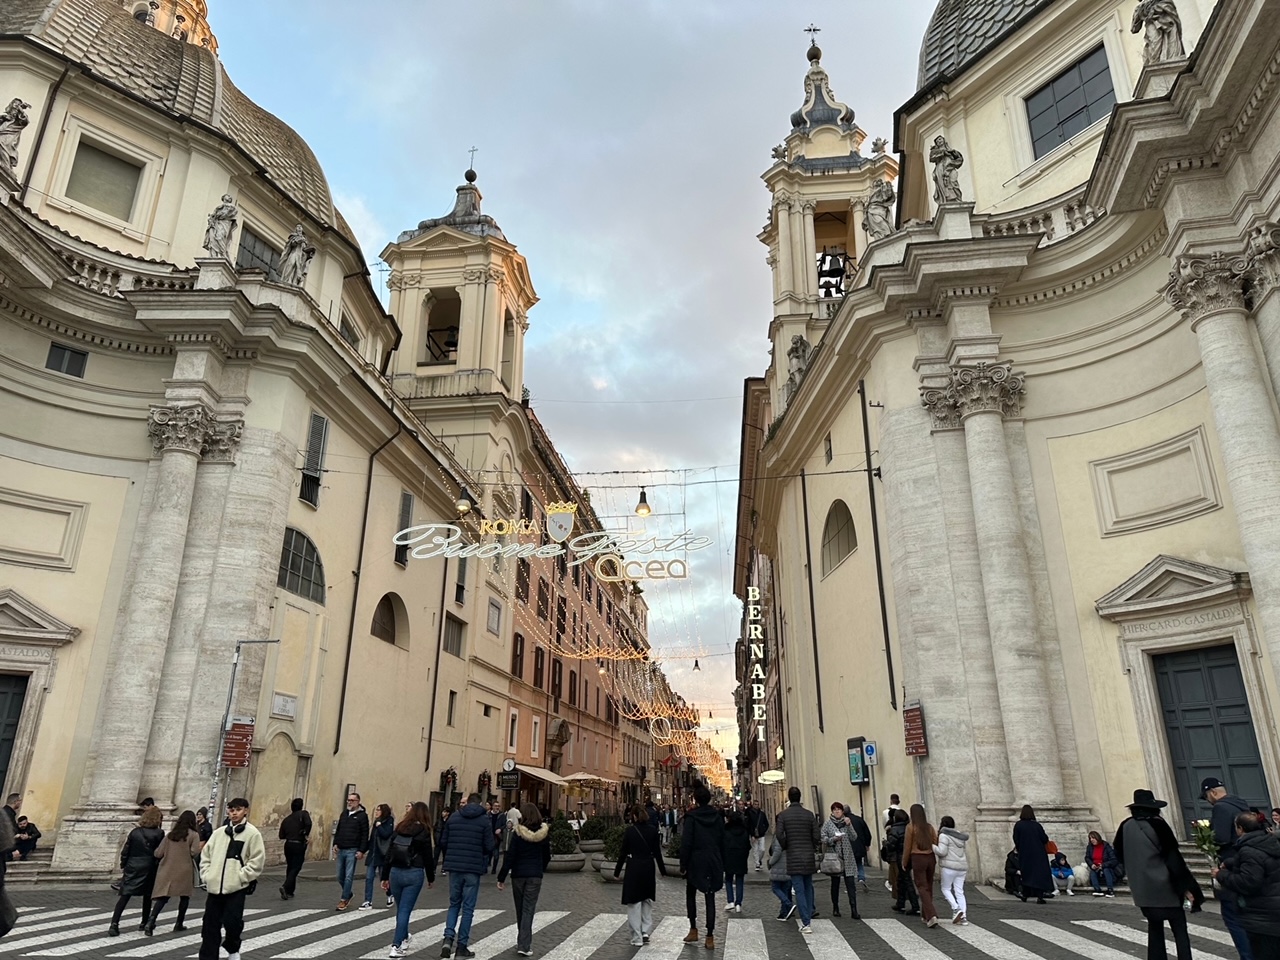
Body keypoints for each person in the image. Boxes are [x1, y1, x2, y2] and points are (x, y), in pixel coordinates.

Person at [1114, 788, 1203, 960]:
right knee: (1179, 930)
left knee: (1154, 928)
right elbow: (1173, 858)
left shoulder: (1125, 826)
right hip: (1166, 886)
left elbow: (1119, 852)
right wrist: (1187, 887)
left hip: (1142, 888)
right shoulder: (1158, 824)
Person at [198, 798, 265, 960]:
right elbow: (206, 856)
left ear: (246, 811)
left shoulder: (252, 834)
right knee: (209, 927)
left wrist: (240, 877)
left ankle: (232, 948)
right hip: (214, 888)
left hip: (235, 888)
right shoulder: (218, 833)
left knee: (232, 923)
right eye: (231, 809)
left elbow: (256, 860)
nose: (234, 813)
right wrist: (207, 875)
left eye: (238, 809)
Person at [1202, 776, 1256, 959]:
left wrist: (1207, 839)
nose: (1208, 801)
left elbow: (1222, 837)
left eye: (1207, 796)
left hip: (1231, 866)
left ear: (1213, 793)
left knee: (1233, 917)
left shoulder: (1220, 807)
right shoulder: (1241, 805)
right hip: (1248, 865)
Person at [1214, 811, 1280, 959]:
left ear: (1240, 829)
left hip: (1262, 916)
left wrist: (1220, 875)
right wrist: (1232, 863)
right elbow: (1263, 862)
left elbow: (1249, 882)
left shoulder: (1248, 850)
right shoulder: (1270, 842)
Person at [438, 792, 494, 959]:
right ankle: (461, 947)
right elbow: (489, 845)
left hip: (454, 867)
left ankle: (448, 938)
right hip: (472, 867)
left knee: (454, 904)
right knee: (468, 908)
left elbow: (443, 842)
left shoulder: (454, 818)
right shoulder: (484, 820)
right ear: (480, 804)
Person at [380, 801, 435, 959]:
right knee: (405, 910)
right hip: (414, 873)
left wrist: (384, 876)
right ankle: (396, 946)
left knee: (401, 909)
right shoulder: (424, 831)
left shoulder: (400, 827)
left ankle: (404, 937)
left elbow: (389, 853)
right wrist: (431, 877)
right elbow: (428, 857)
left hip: (396, 872)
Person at [497, 803, 549, 958]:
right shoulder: (544, 834)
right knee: (528, 909)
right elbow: (547, 855)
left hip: (518, 875)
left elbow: (510, 857)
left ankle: (522, 941)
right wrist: (541, 868)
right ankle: (524, 944)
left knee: (521, 909)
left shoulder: (518, 834)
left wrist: (501, 877)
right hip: (534, 875)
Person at [679, 783, 725, 950]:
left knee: (690, 894)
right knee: (710, 897)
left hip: (695, 860)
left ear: (695, 800)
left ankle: (693, 928)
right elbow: (722, 840)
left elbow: (686, 842)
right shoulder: (718, 817)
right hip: (713, 859)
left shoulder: (691, 818)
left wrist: (683, 864)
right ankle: (710, 936)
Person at [614, 804, 667, 947]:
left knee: (634, 903)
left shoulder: (630, 831)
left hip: (634, 867)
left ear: (635, 816)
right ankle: (645, 931)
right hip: (648, 867)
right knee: (646, 900)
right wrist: (663, 871)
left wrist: (617, 872)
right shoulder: (652, 831)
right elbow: (657, 853)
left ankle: (636, 936)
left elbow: (622, 852)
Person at [108, 806, 165, 936]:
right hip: (149, 866)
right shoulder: (159, 833)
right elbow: (159, 852)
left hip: (133, 865)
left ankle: (114, 923)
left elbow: (126, 850)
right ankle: (144, 922)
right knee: (147, 896)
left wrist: (124, 864)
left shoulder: (135, 832)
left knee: (125, 895)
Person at [147, 810, 203, 935]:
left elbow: (158, 853)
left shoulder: (170, 835)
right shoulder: (194, 835)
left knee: (163, 897)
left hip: (167, 869)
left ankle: (151, 921)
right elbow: (194, 852)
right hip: (184, 870)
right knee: (184, 897)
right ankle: (179, 923)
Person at [776, 784, 820, 935]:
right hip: (808, 855)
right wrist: (812, 846)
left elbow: (779, 835)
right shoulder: (809, 815)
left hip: (793, 855)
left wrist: (786, 845)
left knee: (799, 889)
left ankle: (806, 922)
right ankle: (808, 916)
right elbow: (816, 836)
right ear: (800, 798)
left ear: (789, 798)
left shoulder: (783, 815)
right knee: (808, 887)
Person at [820, 802, 861, 919]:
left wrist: (849, 825)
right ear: (832, 812)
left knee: (851, 885)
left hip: (847, 857)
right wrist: (833, 839)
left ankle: (854, 909)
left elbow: (854, 837)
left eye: (839, 810)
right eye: (834, 810)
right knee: (835, 884)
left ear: (843, 811)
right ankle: (835, 907)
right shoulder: (828, 824)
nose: (837, 812)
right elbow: (823, 838)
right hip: (834, 858)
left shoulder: (847, 822)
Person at [902, 803, 940, 928]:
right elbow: (935, 841)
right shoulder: (929, 827)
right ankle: (925, 915)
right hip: (930, 858)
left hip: (918, 858)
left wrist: (904, 862)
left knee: (921, 887)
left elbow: (907, 847)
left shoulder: (911, 827)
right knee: (929, 886)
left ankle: (931, 915)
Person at [333, 791, 369, 910]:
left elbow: (365, 834)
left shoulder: (362, 816)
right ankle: (348, 893)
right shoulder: (344, 814)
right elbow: (339, 830)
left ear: (358, 802)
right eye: (348, 800)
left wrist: (361, 850)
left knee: (348, 876)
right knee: (339, 876)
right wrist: (335, 843)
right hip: (341, 849)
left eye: (352, 800)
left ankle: (344, 899)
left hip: (352, 850)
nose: (349, 802)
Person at [1013, 804, 1053, 905]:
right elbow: (1044, 838)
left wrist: (1020, 848)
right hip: (1039, 853)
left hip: (1025, 853)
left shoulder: (1018, 825)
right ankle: (1040, 896)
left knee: (1027, 874)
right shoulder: (1037, 825)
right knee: (1039, 874)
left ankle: (1025, 894)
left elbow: (1016, 839)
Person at [932, 815, 969, 924]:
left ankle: (956, 908)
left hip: (949, 867)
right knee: (959, 891)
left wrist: (932, 846)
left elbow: (942, 851)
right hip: (962, 867)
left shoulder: (944, 835)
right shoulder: (960, 836)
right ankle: (964, 916)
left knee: (945, 889)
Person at [361, 804, 396, 910]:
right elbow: (372, 839)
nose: (376, 812)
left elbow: (386, 835)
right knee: (369, 878)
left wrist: (379, 826)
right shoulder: (376, 822)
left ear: (383, 811)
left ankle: (390, 894)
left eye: (378, 810)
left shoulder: (388, 821)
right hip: (373, 854)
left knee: (383, 878)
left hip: (382, 855)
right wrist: (362, 850)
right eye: (376, 810)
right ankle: (368, 901)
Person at [886, 808, 919, 914]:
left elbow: (891, 845)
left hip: (901, 856)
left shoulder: (895, 829)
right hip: (911, 856)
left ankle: (915, 906)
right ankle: (900, 904)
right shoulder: (909, 827)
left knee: (907, 880)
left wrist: (885, 844)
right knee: (901, 880)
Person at [278, 798, 312, 901]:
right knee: (296, 867)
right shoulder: (303, 814)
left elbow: (281, 835)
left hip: (288, 844)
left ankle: (289, 891)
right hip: (298, 844)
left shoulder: (287, 819)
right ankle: (285, 886)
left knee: (290, 866)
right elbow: (309, 823)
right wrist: (305, 833)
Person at [722, 810, 750, 913]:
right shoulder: (744, 831)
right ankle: (738, 903)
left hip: (729, 857)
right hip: (741, 857)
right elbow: (748, 846)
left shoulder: (726, 830)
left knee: (728, 880)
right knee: (740, 880)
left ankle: (730, 901)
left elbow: (722, 845)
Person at [767, 834, 794, 920]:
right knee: (785, 890)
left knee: (776, 888)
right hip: (788, 864)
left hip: (779, 865)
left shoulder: (780, 836)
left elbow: (777, 852)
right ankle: (783, 913)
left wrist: (770, 862)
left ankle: (788, 904)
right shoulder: (791, 834)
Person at [1084, 830, 1118, 898]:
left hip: (1106, 866)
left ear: (1097, 838)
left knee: (1106, 870)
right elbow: (1087, 857)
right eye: (1090, 838)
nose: (1092, 840)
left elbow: (1113, 860)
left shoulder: (1106, 846)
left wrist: (1103, 865)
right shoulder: (1090, 847)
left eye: (1093, 838)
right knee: (1093, 871)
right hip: (1095, 866)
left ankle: (1110, 890)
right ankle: (1097, 890)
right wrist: (1091, 864)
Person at [747, 800, 770, 872]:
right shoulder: (750, 814)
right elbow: (749, 825)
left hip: (761, 834)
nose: (756, 805)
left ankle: (759, 860)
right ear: (753, 805)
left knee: (762, 849)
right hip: (754, 835)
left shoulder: (762, 814)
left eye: (757, 804)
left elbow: (766, 823)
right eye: (755, 804)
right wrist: (751, 834)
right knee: (755, 850)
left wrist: (763, 830)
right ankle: (757, 864)